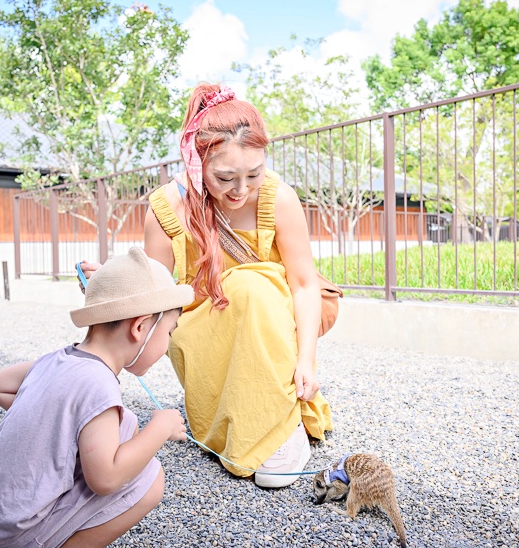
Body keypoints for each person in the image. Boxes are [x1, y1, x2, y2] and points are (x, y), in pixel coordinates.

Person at [82, 83, 333, 489]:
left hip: (268, 323)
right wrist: (114, 286)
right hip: (200, 328)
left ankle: (283, 427)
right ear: (196, 162)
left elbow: (304, 285)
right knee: (235, 297)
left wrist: (306, 361)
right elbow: (156, 292)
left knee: (253, 286)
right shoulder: (167, 208)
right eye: (225, 178)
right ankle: (238, 428)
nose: (241, 190)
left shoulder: (278, 197)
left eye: (254, 174)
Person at [0, 247, 193, 548]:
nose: (168, 345)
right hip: (26, 531)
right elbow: (106, 479)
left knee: (120, 434)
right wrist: (159, 428)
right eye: (169, 332)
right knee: (149, 479)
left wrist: (48, 423)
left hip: (2, 516)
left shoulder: (57, 360)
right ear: (140, 326)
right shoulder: (98, 383)